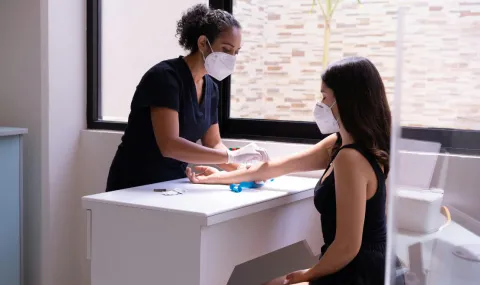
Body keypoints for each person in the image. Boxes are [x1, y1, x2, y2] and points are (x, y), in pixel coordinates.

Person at [186, 57, 405, 285]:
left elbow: (348, 245)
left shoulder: (350, 158)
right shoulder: (339, 145)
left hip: (359, 272)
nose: (320, 104)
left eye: (324, 97)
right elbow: (278, 167)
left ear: (344, 102)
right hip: (360, 264)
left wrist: (309, 273)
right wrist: (219, 177)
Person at [105, 4, 269, 192]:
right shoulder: (165, 78)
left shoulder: (211, 88)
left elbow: (213, 142)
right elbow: (169, 145)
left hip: (172, 184)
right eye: (226, 49)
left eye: (236, 52)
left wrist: (245, 170)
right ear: (202, 43)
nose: (231, 57)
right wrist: (232, 157)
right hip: (133, 184)